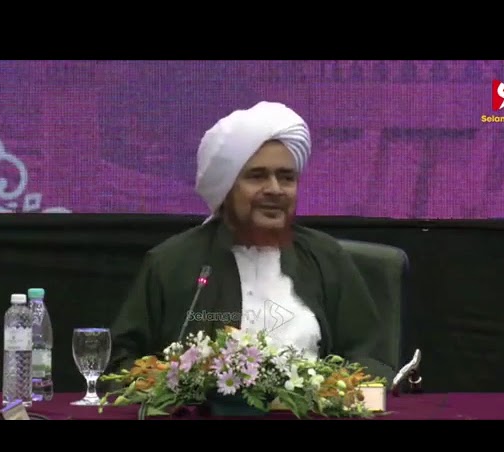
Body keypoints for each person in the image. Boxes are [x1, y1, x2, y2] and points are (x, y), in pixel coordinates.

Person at [106, 101, 397, 385]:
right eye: (257, 177)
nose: (275, 189)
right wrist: (173, 383)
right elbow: (121, 363)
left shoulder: (325, 256)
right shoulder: (173, 263)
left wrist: (333, 389)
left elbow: (369, 359)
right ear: (227, 189)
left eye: (286, 178)